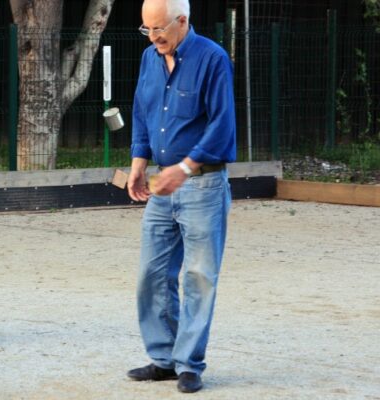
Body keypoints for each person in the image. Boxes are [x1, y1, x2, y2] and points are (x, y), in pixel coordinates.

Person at [125, 0, 236, 394]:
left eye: (159, 30)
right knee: (150, 275)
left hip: (202, 183)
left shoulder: (212, 58)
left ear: (183, 21)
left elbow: (223, 125)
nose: (153, 37)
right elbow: (142, 110)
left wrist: (184, 168)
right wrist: (139, 161)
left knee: (198, 277)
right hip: (160, 185)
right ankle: (163, 358)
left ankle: (189, 364)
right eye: (147, 30)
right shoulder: (149, 58)